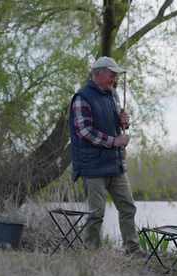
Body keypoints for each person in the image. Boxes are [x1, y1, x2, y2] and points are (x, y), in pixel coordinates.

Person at [69, 56, 139, 253]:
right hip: (93, 167)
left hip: (115, 164)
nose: (114, 79)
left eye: (116, 75)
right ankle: (91, 252)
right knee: (96, 213)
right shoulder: (82, 97)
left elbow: (116, 123)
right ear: (98, 74)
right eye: (112, 74)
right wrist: (114, 141)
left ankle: (131, 249)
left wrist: (123, 121)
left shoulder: (113, 95)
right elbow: (85, 131)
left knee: (128, 208)